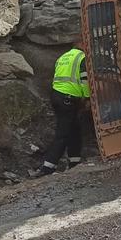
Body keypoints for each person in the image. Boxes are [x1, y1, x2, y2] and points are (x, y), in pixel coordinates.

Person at [34, 45, 90, 177]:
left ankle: (74, 161)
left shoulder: (63, 57)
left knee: (74, 128)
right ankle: (48, 166)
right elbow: (84, 80)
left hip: (57, 95)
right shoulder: (82, 58)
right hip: (68, 98)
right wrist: (87, 98)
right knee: (63, 133)